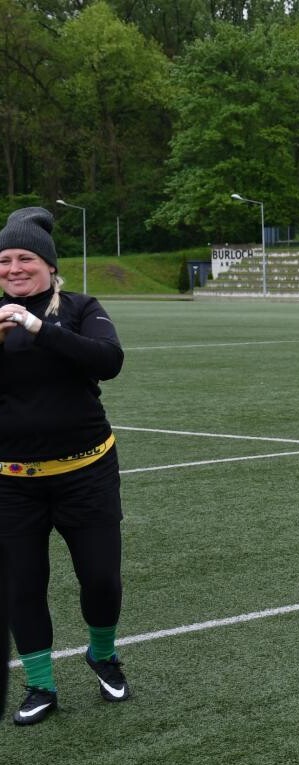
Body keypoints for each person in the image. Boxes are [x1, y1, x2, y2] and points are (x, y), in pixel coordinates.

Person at [0, 207, 130, 726]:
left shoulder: (80, 307)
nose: (13, 268)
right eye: (4, 260)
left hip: (86, 471)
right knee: (22, 585)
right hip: (11, 481)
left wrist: (40, 328)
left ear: (50, 266)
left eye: (25, 258)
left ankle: (102, 652)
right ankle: (40, 684)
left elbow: (109, 360)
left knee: (101, 578)